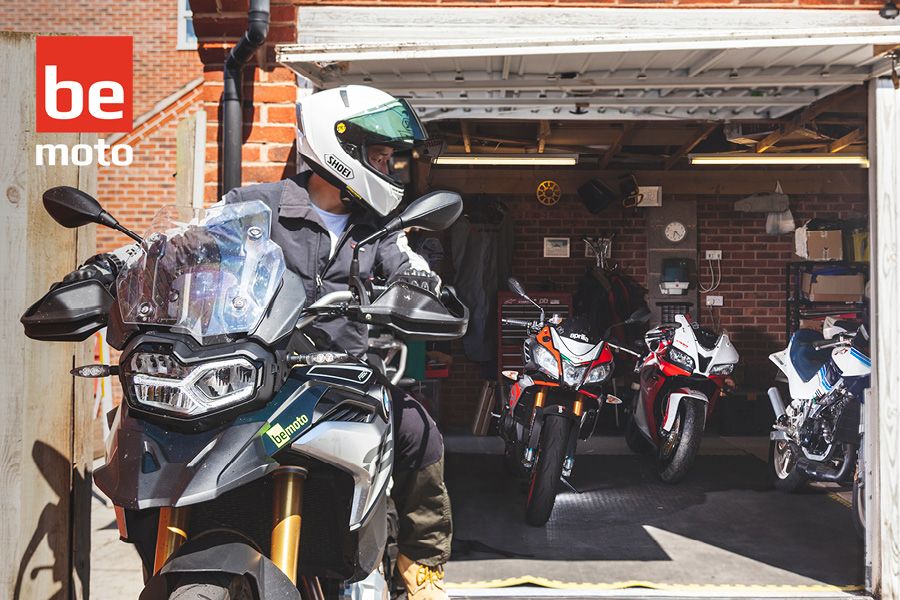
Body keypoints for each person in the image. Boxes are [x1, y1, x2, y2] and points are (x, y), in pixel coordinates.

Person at [59, 85, 452, 600]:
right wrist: (116, 269)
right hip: (252, 374)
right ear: (339, 149)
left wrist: (423, 287)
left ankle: (419, 571)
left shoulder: (381, 230)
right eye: (378, 155)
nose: (389, 167)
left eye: (389, 157)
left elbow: (413, 270)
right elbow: (181, 250)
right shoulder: (252, 206)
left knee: (417, 428)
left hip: (340, 381)